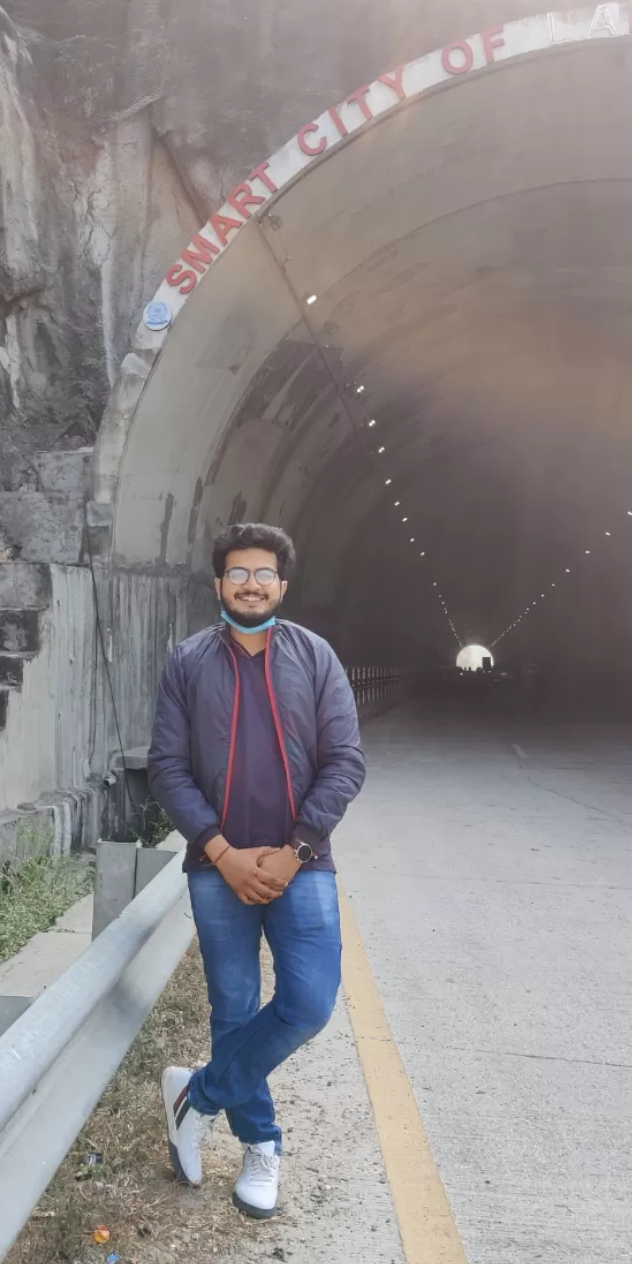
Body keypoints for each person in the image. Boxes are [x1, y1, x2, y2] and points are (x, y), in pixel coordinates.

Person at [147, 522, 366, 1218]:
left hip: (305, 863)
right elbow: (167, 768)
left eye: (263, 573)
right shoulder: (187, 663)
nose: (250, 583)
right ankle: (260, 1146)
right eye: (237, 573)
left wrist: (294, 850)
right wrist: (221, 851)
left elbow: (345, 763)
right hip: (218, 868)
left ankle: (199, 1094)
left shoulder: (316, 657)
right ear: (218, 585)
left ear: (282, 584)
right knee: (234, 1009)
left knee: (308, 1004)